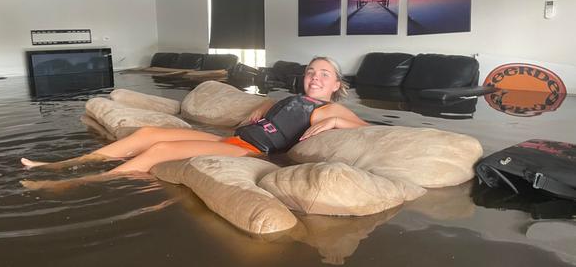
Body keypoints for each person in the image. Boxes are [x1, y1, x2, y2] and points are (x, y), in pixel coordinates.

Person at [21, 57, 369, 188]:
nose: (315, 77)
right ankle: (65, 164)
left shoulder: (328, 111)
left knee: (159, 148)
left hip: (249, 151)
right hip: (233, 139)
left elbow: (370, 128)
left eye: (324, 74)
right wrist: (266, 102)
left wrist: (342, 126)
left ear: (337, 84)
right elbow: (283, 112)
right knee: (147, 133)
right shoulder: (294, 98)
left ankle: (79, 182)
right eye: (311, 71)